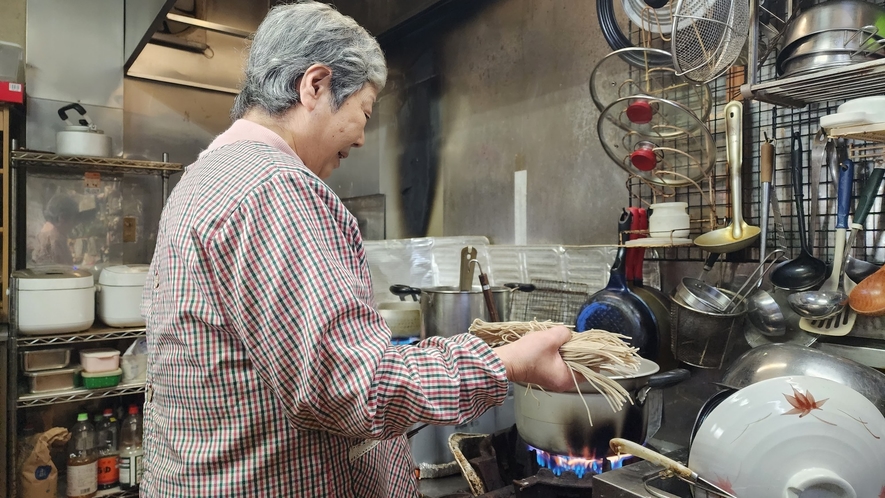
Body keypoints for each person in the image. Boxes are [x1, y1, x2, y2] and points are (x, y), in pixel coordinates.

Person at [141, 2, 574, 497]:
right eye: (363, 111)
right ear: (316, 85)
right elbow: (357, 388)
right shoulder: (274, 188)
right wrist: (507, 364)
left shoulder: (203, 179)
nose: (364, 138)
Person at [31, 193, 78, 266]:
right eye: (73, 220)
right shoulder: (54, 240)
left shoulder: (48, 233)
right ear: (62, 217)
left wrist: (76, 269)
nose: (73, 225)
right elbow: (63, 270)